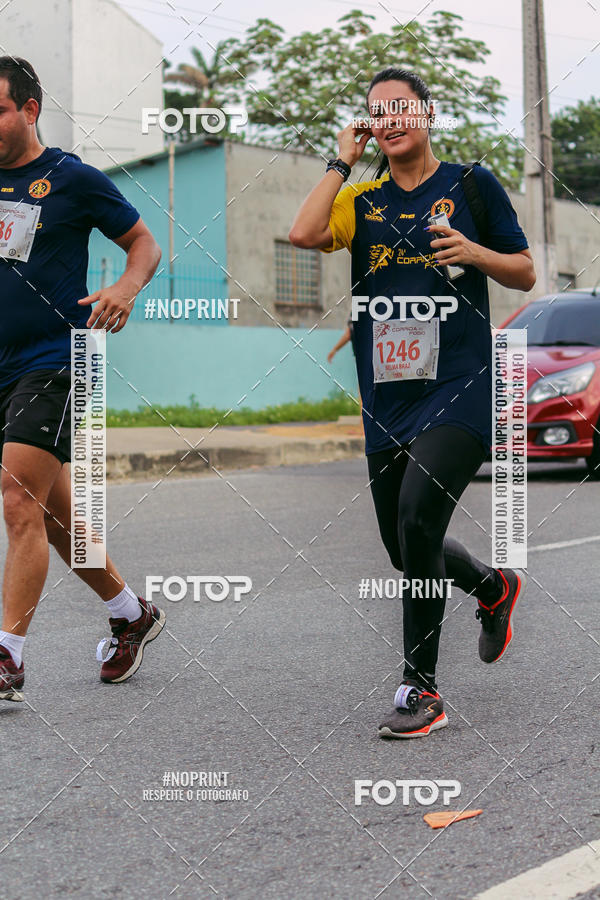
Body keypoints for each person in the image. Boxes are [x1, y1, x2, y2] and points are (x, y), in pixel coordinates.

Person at [289, 67, 535, 738]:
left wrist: (474, 251)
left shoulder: (470, 183)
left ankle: (419, 689)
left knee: (419, 516)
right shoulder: (361, 199)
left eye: (401, 107)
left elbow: (525, 269)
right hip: (388, 394)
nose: (391, 118)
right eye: (377, 112)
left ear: (426, 113)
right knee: (404, 549)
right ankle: (493, 588)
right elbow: (304, 234)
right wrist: (343, 157)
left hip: (461, 381)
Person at [0, 57, 165, 703]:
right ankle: (132, 614)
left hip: (53, 357)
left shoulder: (70, 179)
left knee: (16, 499)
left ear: (30, 109)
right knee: (54, 514)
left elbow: (144, 242)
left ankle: (7, 656)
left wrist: (125, 288)